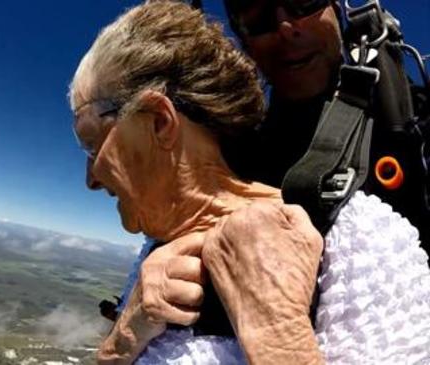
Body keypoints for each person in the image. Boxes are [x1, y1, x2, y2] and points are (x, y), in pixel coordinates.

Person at [68, 1, 430, 364]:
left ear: (161, 121)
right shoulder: (157, 248)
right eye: (256, 18)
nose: (287, 28)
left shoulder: (364, 240)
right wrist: (124, 336)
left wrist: (278, 335)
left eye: (91, 141)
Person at [219, 0, 430, 250]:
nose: (286, 28)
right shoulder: (227, 162)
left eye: (305, 3)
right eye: (259, 19)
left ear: (337, 9)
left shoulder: (415, 119)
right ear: (245, 42)